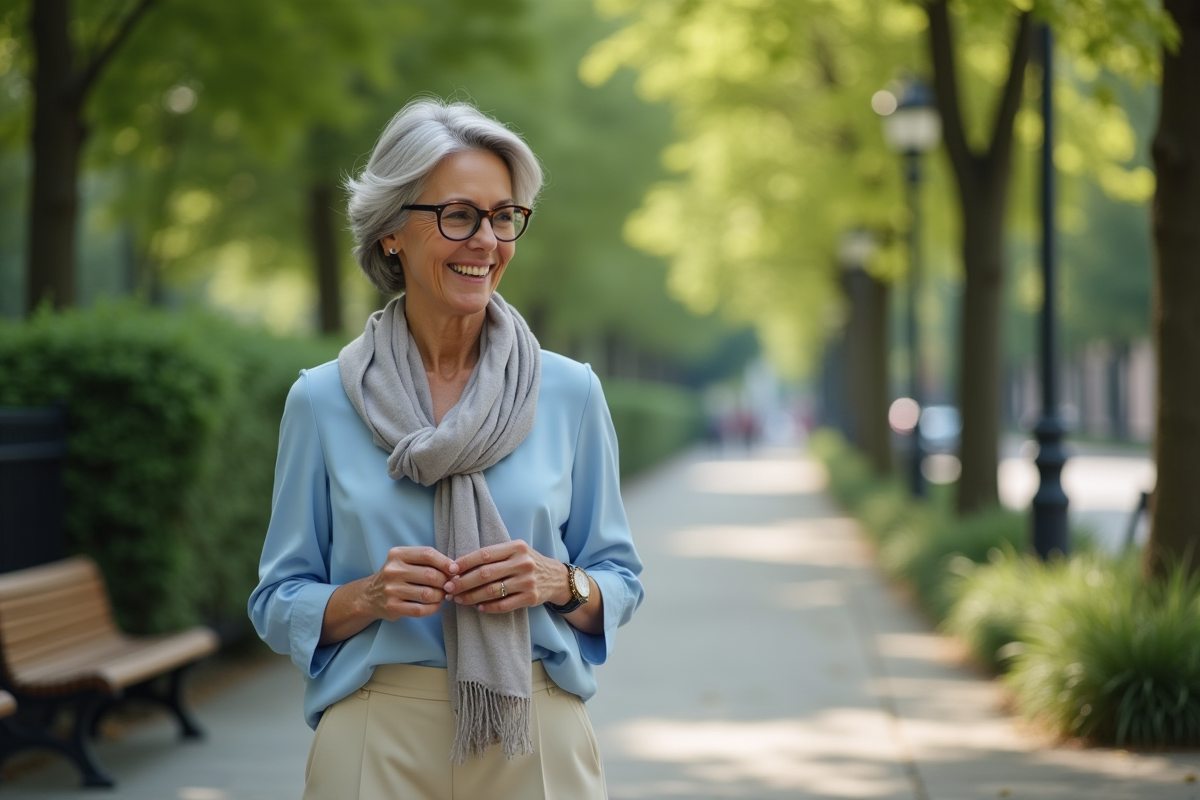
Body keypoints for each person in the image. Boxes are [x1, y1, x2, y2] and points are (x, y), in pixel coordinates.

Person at [248, 98, 644, 800]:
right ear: (392, 231)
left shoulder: (571, 392)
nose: (486, 241)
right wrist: (367, 596)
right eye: (458, 215)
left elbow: (619, 577)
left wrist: (561, 582)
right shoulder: (321, 400)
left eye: (503, 216)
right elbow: (277, 600)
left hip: (535, 729)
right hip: (376, 733)